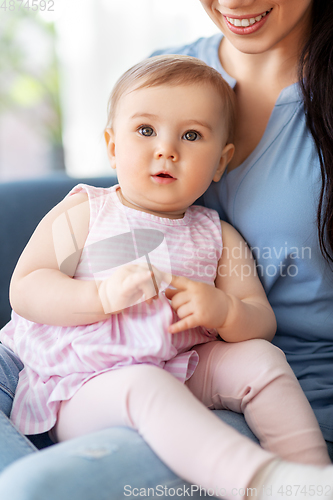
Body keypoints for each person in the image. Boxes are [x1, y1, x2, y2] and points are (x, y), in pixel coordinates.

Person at [0, 0, 332, 498]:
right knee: (143, 386)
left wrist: (223, 310)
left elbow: (260, 320)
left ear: (221, 163)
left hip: (182, 364)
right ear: (112, 145)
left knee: (261, 360)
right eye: (145, 131)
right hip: (84, 384)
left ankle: (312, 474)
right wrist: (101, 299)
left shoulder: (215, 233)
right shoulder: (86, 212)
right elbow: (27, 288)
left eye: (191, 136)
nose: (166, 150)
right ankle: (259, 480)